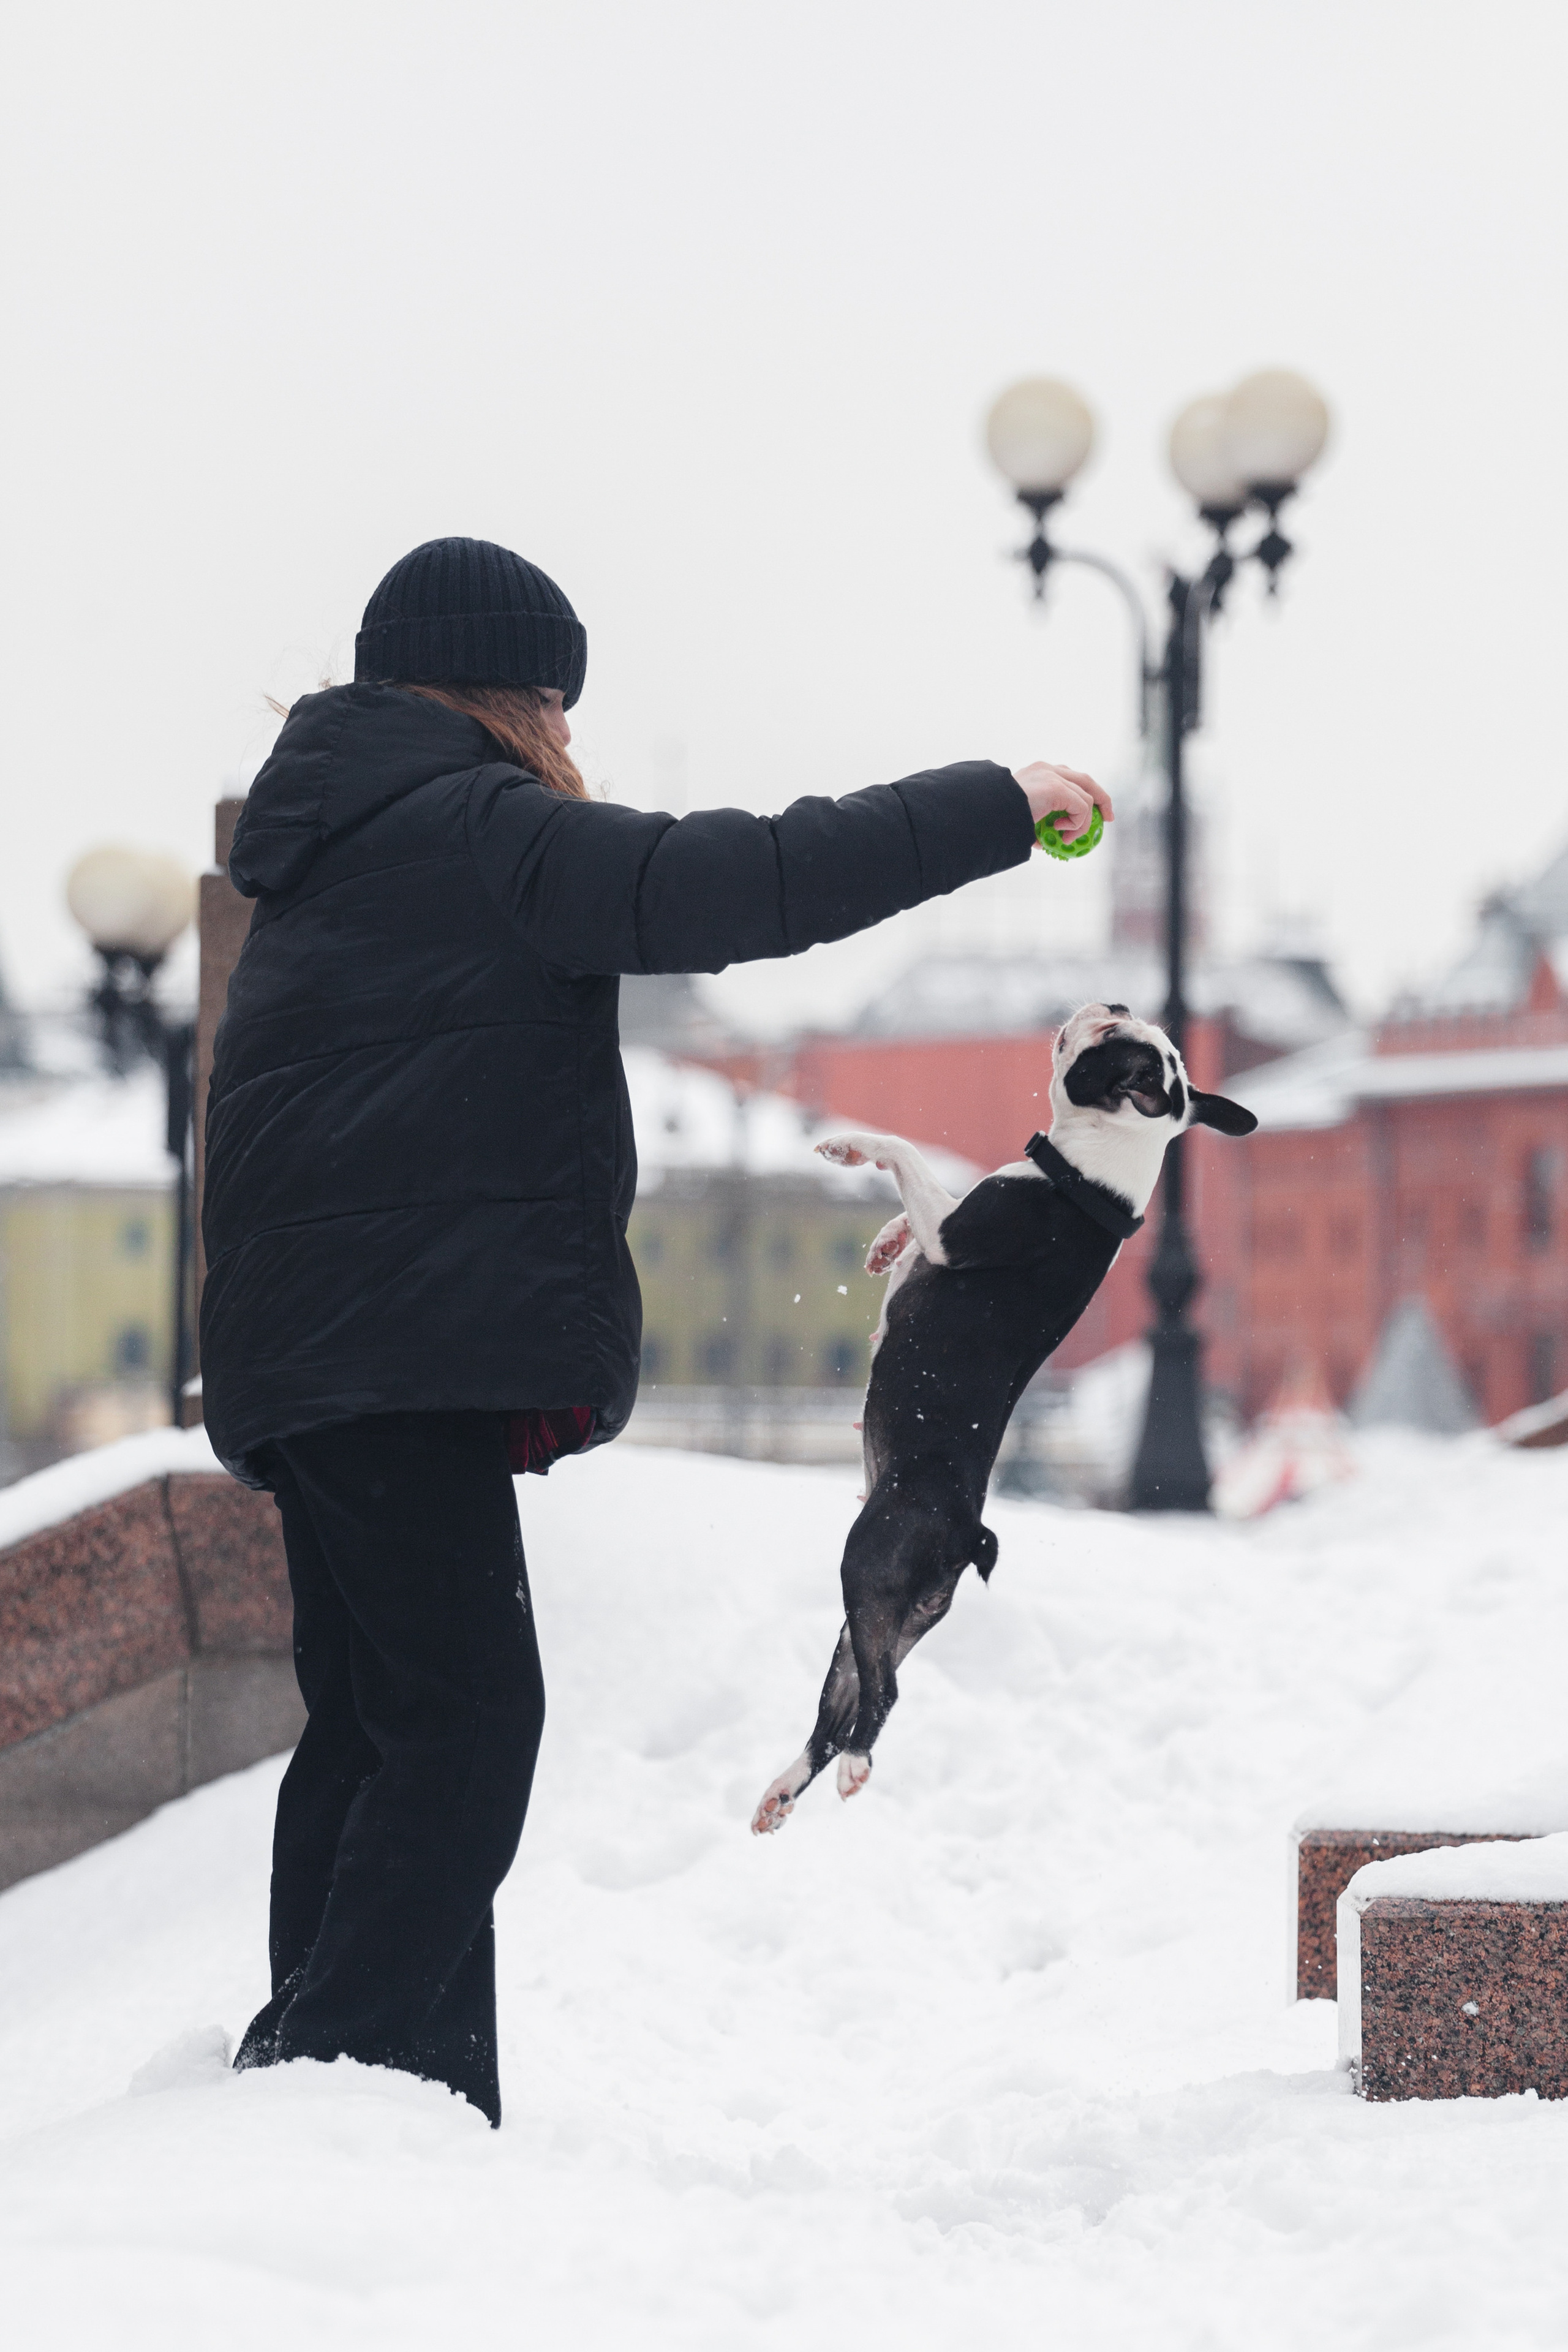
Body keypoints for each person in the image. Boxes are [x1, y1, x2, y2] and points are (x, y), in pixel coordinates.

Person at [201, 534, 1111, 2125]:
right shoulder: (481, 826)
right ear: (516, 696)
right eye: (558, 705)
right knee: (469, 1724)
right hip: (401, 1352)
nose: (570, 740)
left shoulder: (324, 854)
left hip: (312, 1354)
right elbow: (747, 877)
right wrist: (995, 800)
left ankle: (396, 2112)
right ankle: (314, 2086)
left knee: (372, 1727)